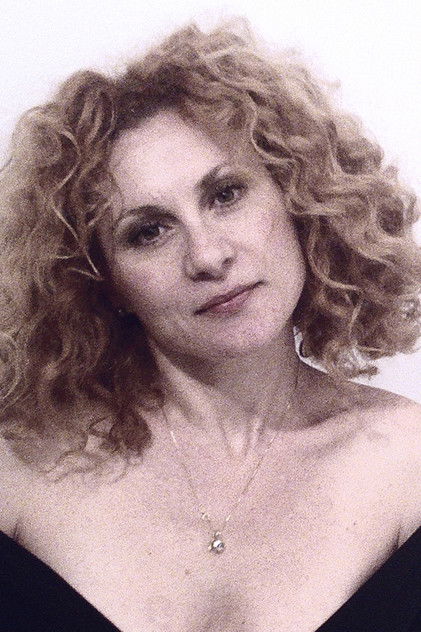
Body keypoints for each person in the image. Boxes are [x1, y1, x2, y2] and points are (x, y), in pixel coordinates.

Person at [0, 20, 420, 632]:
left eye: (225, 195)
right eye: (148, 231)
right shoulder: (20, 470)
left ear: (299, 200)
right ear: (103, 281)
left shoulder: (410, 460)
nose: (207, 256)